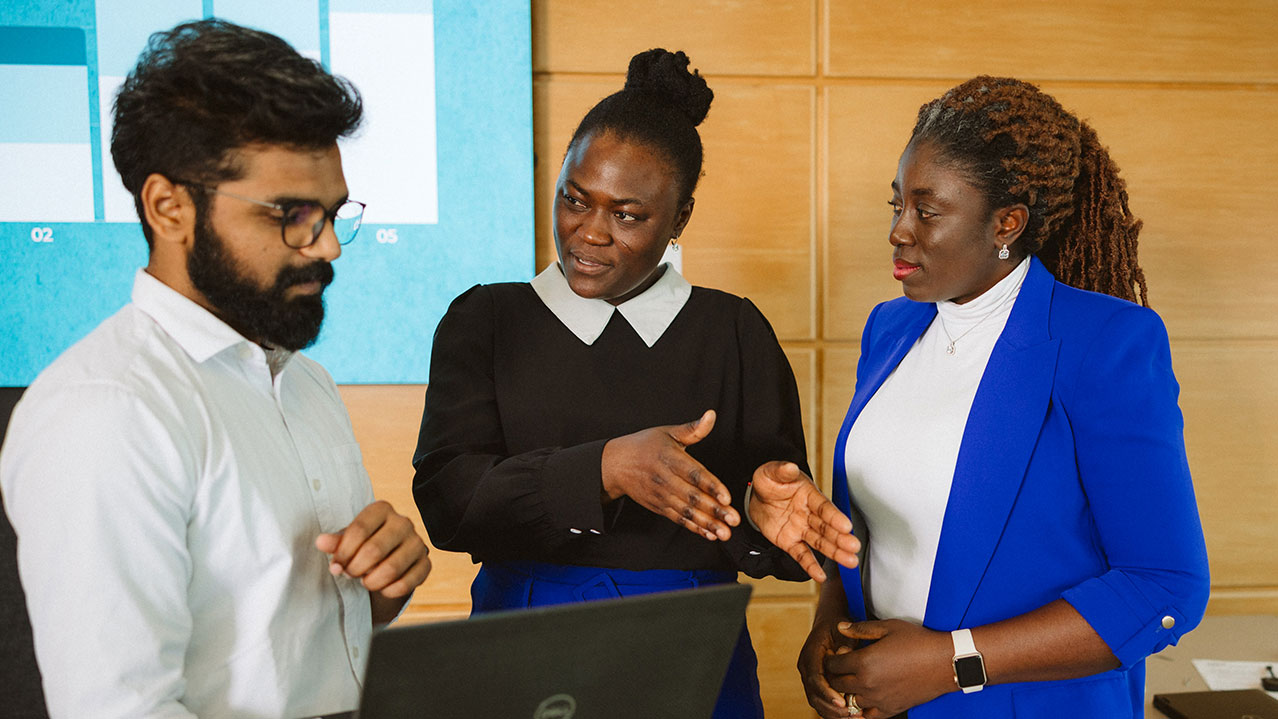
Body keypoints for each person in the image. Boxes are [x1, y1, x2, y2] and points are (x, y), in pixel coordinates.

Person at [0, 19, 431, 718]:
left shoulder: (302, 382)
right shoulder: (108, 410)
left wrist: (375, 593)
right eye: (291, 215)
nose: (327, 247)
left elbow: (279, 652)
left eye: (330, 212)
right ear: (169, 207)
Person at [412, 48, 858, 718]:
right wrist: (605, 467)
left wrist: (763, 520)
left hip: (691, 655)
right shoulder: (488, 319)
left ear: (679, 219)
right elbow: (449, 503)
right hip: (526, 644)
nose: (588, 233)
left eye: (627, 214)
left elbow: (781, 542)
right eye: (573, 199)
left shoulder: (735, 331)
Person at [799, 76, 1210, 718]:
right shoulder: (891, 328)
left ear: (1007, 223)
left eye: (927, 210)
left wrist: (950, 662)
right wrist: (831, 618)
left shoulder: (1106, 342)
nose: (898, 231)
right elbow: (873, 522)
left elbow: (1165, 586)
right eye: (897, 204)